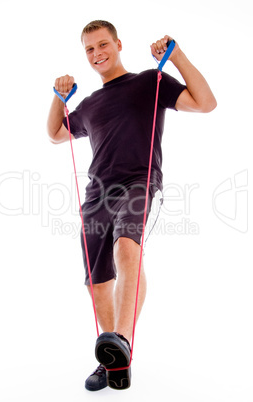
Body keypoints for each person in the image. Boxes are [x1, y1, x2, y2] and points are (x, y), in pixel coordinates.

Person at [47, 20, 217, 391]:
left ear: (118, 44)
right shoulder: (90, 105)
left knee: (128, 251)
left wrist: (178, 56)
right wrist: (59, 97)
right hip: (96, 197)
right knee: (98, 283)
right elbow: (56, 134)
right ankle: (112, 363)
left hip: (138, 183)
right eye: (89, 49)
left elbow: (206, 103)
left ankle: (121, 342)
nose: (97, 54)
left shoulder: (147, 83)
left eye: (103, 44)